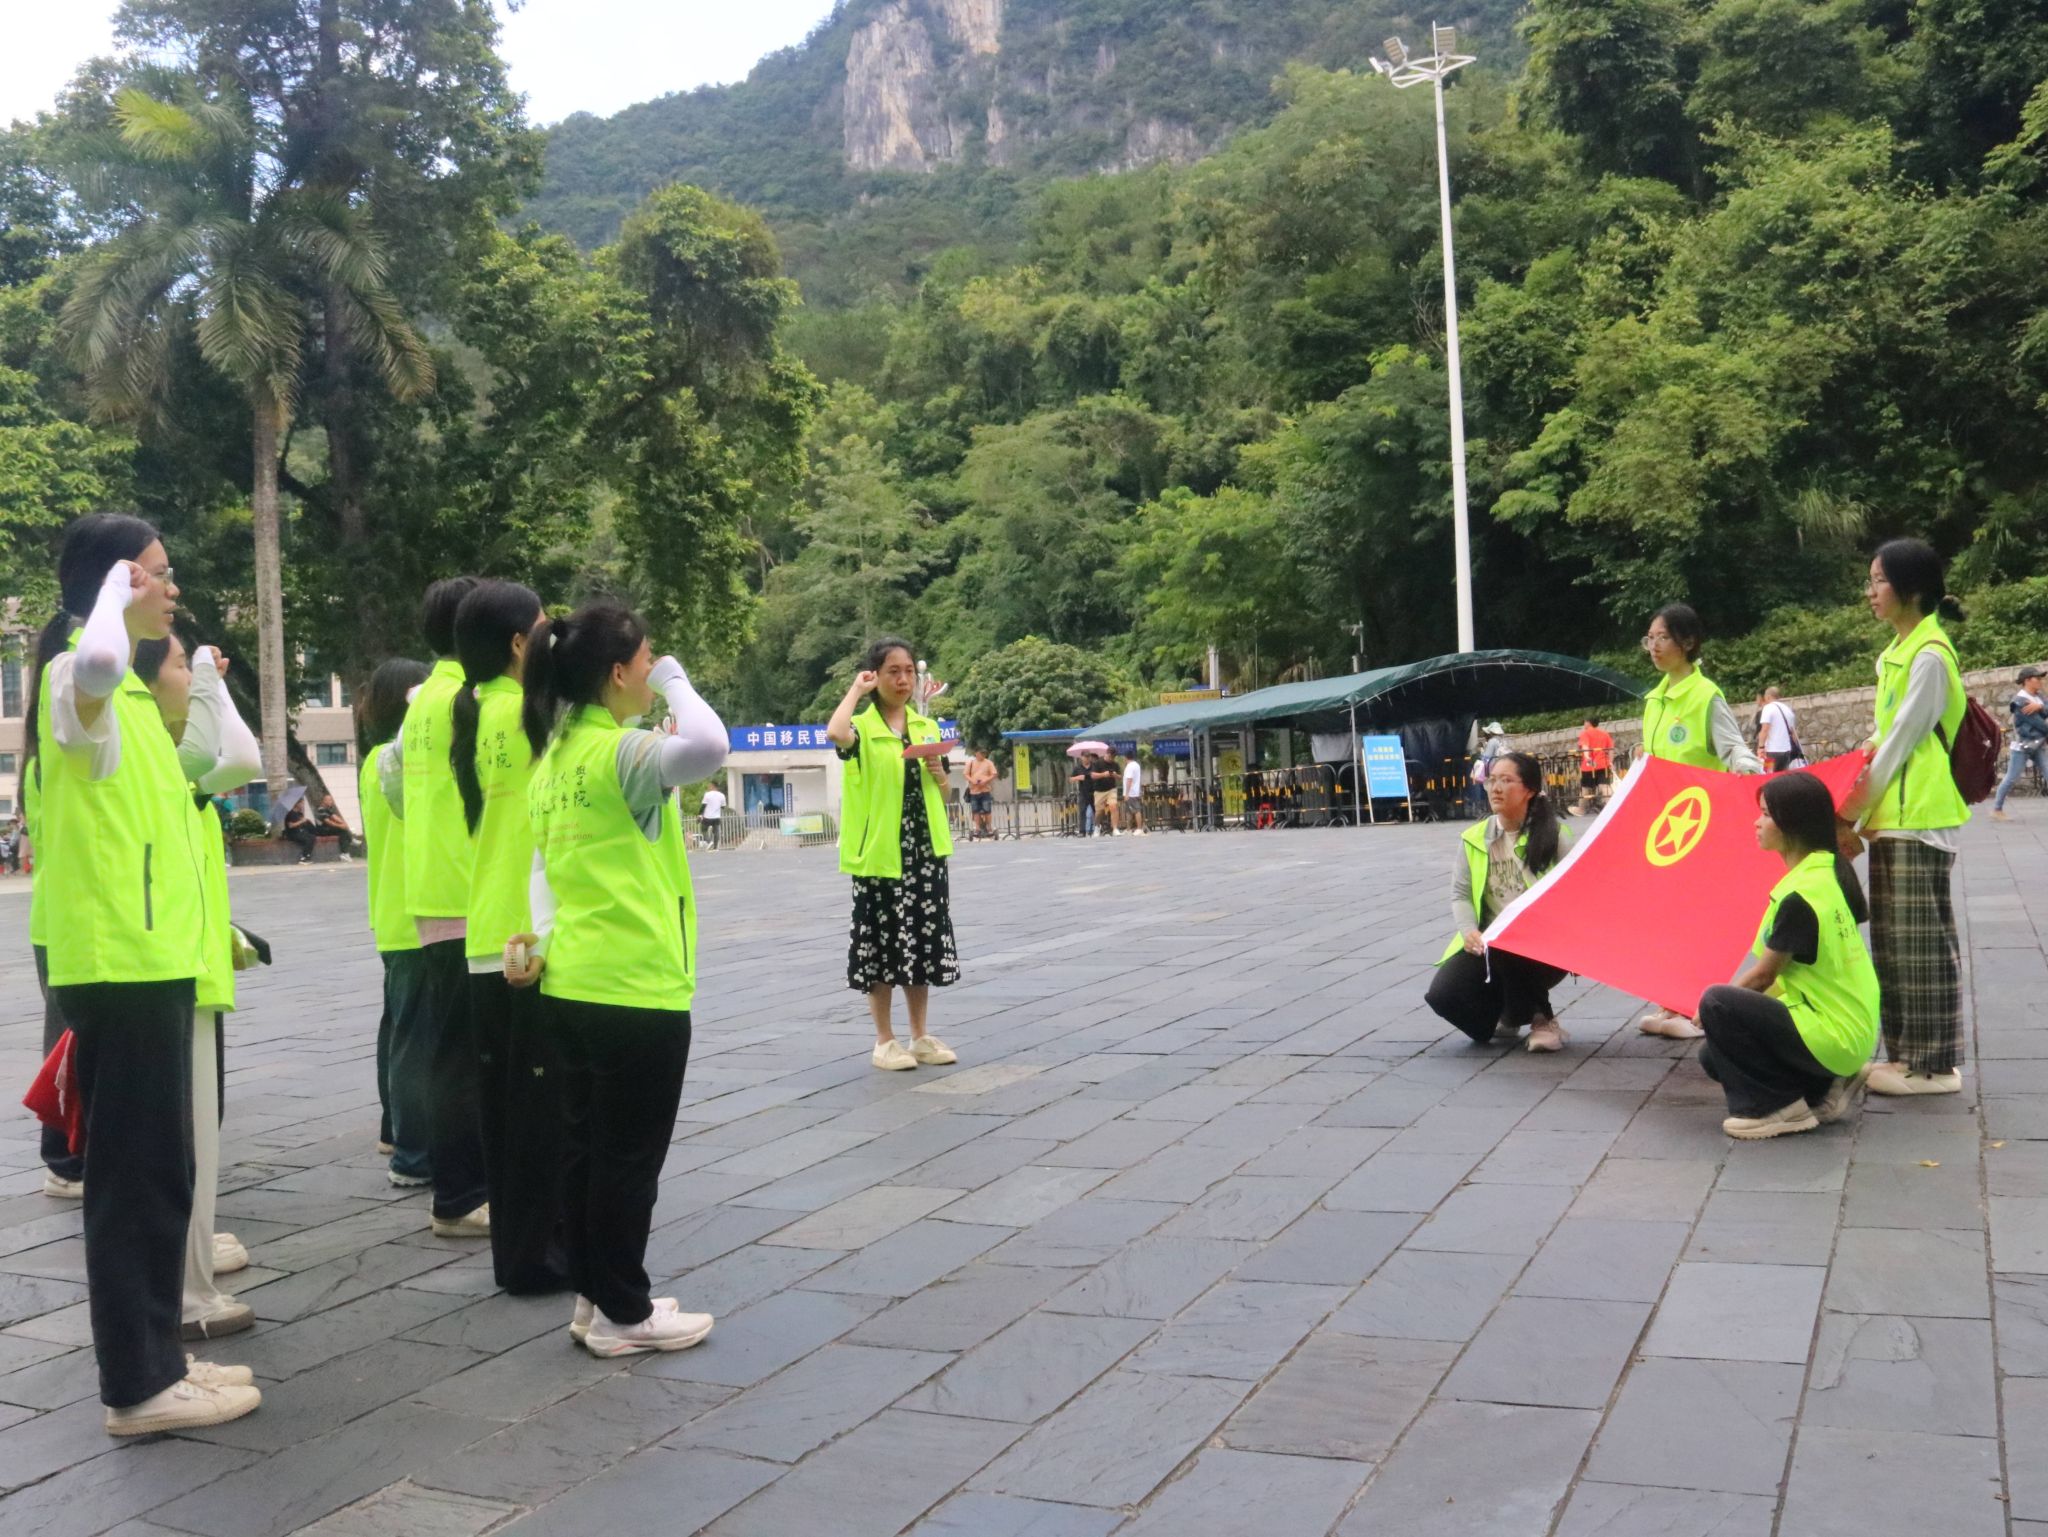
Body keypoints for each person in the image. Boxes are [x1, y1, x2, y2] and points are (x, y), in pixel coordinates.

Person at [22, 513, 259, 1434]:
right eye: (157, 573)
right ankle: (140, 1385)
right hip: (119, 962)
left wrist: (202, 678)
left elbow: (226, 761)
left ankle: (159, 1360)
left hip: (151, 959)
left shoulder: (130, 700)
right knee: (132, 1183)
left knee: (158, 1172)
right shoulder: (76, 678)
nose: (172, 587)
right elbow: (91, 661)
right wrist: (113, 601)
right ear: (116, 581)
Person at [506, 602, 726, 1356]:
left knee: (585, 1151)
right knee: (629, 1159)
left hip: (571, 980)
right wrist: (676, 681)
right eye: (645, 658)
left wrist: (540, 943)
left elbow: (542, 870)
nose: (652, 666)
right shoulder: (621, 753)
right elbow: (710, 744)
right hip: (636, 982)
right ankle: (624, 1312)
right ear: (618, 672)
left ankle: (594, 1295)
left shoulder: (554, 759)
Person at [133, 633, 262, 1341]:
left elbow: (239, 755)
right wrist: (212, 677)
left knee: (191, 1147)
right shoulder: (165, 763)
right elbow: (234, 753)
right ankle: (188, 1295)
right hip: (171, 970)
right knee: (184, 1151)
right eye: (181, 666)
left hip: (188, 969)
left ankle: (192, 1278)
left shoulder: (166, 763)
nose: (195, 676)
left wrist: (206, 677)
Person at [449, 580, 568, 1295]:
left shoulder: (475, 712)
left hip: (487, 930)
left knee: (505, 1116)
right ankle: (542, 1260)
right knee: (542, 1115)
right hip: (530, 934)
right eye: (546, 626)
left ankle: (518, 1258)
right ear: (520, 643)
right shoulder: (530, 714)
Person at [380, 576, 491, 1238]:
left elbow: (393, 787)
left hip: (431, 888)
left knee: (448, 1047)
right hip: (471, 890)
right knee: (468, 1054)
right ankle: (461, 1194)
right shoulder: (468, 700)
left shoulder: (422, 700)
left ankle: (457, 1188)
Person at [1840, 538, 1970, 1096]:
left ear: (1911, 589)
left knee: (1921, 946)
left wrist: (1847, 813)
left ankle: (1933, 1067)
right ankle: (1904, 1057)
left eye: (1879, 581)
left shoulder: (1930, 656)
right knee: (1894, 946)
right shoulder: (1899, 653)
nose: (1870, 592)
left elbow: (1898, 746)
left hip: (1919, 815)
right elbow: (1882, 737)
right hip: (1893, 816)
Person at [1696, 771, 1878, 1139]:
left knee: (1717, 1002)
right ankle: (1825, 1086)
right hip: (1849, 1026)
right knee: (1713, 1055)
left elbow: (1763, 976)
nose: (1757, 822)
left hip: (1833, 1032)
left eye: (1766, 814)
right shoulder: (1830, 869)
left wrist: (1710, 1012)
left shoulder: (1800, 896)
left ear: (1793, 824)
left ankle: (1777, 1108)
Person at [827, 638, 962, 1071]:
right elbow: (835, 733)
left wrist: (940, 775)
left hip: (924, 851)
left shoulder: (926, 727)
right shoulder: (863, 727)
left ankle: (919, 1035)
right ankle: (884, 1040)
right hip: (881, 854)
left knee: (921, 940)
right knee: (881, 944)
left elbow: (944, 794)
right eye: (893, 671)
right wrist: (856, 690)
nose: (904, 680)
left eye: (908, 671)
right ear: (876, 676)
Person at [1637, 603, 1765, 1038]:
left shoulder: (1705, 695)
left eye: (1663, 638)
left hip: (1698, 824)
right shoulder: (1654, 699)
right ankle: (1670, 1002)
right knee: (1666, 914)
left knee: (1694, 915)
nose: (1654, 646)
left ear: (1687, 642)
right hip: (1662, 829)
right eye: (1650, 638)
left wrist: (1755, 782)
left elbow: (1732, 748)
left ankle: (1691, 1006)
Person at [1426, 752, 1576, 1052]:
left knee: (1511, 939)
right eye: (1491, 780)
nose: (1495, 788)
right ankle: (1509, 1012)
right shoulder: (1474, 838)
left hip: (1546, 945)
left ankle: (1543, 1019)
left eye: (1506, 781)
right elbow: (1460, 894)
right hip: (1491, 941)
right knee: (1443, 996)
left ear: (1529, 790)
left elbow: (1577, 893)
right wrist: (1469, 931)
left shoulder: (1555, 835)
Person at [357, 658, 432, 1183]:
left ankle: (394, 1130)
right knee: (415, 1040)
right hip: (416, 913)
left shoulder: (374, 760)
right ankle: (412, 1154)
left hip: (392, 913)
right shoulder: (397, 760)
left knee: (399, 1030)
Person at [1992, 665, 2048, 819]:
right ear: (2027, 680)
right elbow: (2039, 724)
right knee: (2011, 777)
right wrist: (2042, 710)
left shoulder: (2039, 697)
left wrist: (2040, 706)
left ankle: (1997, 809)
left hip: (2038, 744)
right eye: (2037, 678)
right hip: (2023, 745)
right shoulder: (2019, 701)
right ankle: (1997, 809)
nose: (2041, 681)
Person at [1575, 718, 1614, 816]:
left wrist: (1588, 758)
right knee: (1605, 786)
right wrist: (1610, 762)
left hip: (1589, 765)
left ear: (1588, 722)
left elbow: (1585, 747)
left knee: (1586, 788)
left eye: (1584, 722)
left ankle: (1581, 809)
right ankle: (1613, 807)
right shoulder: (1605, 734)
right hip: (1603, 764)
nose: (1584, 724)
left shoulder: (1585, 733)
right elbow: (1610, 749)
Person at [1758, 687, 1801, 773]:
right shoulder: (1787, 709)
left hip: (1772, 751)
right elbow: (1793, 733)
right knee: (1783, 776)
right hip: (1787, 751)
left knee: (1769, 775)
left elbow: (1765, 729)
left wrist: (1761, 747)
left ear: (1768, 697)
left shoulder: (1768, 708)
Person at [965, 747, 998, 841]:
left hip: (985, 790)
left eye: (984, 754)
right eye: (981, 753)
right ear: (976, 753)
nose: (983, 755)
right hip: (974, 791)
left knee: (987, 810)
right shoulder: (971, 763)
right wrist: (972, 781)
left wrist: (986, 780)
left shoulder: (988, 763)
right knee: (975, 811)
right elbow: (966, 774)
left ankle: (989, 827)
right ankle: (977, 828)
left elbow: (994, 774)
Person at [312, 795, 355, 859]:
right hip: (322, 830)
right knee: (342, 830)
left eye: (331, 800)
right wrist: (340, 826)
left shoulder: (328, 809)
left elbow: (335, 817)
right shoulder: (321, 810)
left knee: (343, 832)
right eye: (330, 800)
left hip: (328, 829)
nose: (331, 802)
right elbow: (328, 822)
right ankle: (347, 847)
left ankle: (345, 852)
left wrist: (344, 823)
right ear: (324, 801)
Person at [281, 795, 319, 863]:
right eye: (301, 803)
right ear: (297, 804)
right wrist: (301, 821)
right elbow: (291, 826)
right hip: (293, 834)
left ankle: (307, 856)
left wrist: (306, 821)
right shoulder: (291, 814)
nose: (302, 805)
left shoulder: (299, 813)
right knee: (308, 839)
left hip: (299, 832)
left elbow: (301, 824)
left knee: (312, 837)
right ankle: (303, 857)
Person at [1091, 751, 1120, 836]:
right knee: (1099, 811)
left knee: (1113, 806)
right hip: (1099, 790)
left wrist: (1115, 775)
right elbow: (1093, 775)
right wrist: (1103, 774)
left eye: (1113, 757)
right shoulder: (1097, 763)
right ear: (1106, 754)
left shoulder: (1115, 764)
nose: (1111, 759)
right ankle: (1097, 827)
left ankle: (1115, 828)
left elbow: (1120, 777)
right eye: (1110, 757)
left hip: (1111, 789)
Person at [1121, 752, 1146, 835]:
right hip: (1134, 791)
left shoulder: (1130, 766)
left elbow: (1129, 780)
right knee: (1129, 811)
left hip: (1131, 793)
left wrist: (1127, 793)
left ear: (1125, 757)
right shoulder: (1136, 765)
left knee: (1136, 810)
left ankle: (1139, 828)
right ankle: (1128, 829)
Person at [1070, 753, 1094, 836]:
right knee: (1082, 811)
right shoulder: (1078, 768)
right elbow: (1070, 779)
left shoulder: (1094, 766)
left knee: (1095, 811)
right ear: (1081, 757)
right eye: (1085, 757)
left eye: (1088, 757)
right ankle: (1082, 831)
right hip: (1083, 792)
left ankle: (1094, 829)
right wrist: (1079, 777)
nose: (1087, 759)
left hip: (1094, 791)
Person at [699, 782, 726, 848]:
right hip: (716, 817)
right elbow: (723, 807)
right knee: (716, 832)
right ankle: (715, 847)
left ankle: (709, 841)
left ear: (713, 786)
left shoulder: (707, 794)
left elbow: (703, 806)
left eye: (709, 786)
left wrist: (699, 814)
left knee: (703, 829)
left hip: (707, 817)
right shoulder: (722, 795)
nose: (708, 787)